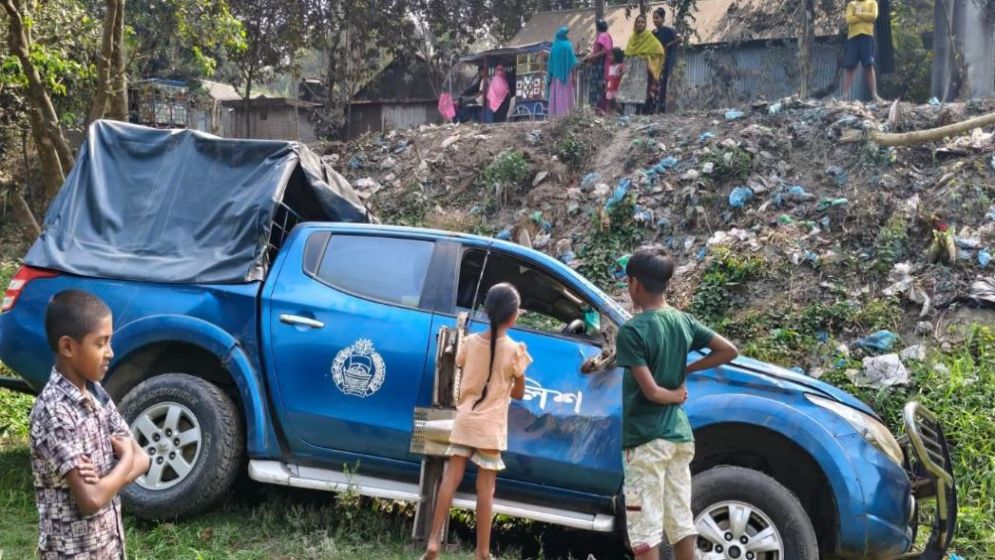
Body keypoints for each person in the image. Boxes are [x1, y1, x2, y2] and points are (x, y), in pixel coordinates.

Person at [617, 246, 739, 560]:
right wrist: (688, 369)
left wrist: (673, 392)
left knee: (645, 530)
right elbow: (728, 350)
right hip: (679, 437)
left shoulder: (632, 331)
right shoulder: (683, 321)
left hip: (646, 440)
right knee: (680, 521)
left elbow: (652, 392)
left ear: (635, 284)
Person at [29, 290, 150, 559]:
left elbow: (144, 460)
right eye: (100, 343)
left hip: (108, 548)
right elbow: (91, 501)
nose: (110, 352)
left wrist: (108, 481)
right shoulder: (53, 411)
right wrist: (125, 456)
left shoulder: (96, 393)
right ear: (68, 347)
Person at [423, 283, 531, 560]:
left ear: (487, 311)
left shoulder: (470, 342)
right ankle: (482, 552)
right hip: (490, 427)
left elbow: (461, 364)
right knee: (486, 488)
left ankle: (433, 542)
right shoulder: (516, 349)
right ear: (514, 315)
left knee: (451, 478)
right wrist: (516, 375)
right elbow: (519, 393)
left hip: (465, 419)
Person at [841, 0, 885, 102]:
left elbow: (873, 16)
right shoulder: (851, 4)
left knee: (869, 65)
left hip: (867, 37)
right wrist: (865, 17)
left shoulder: (872, 3)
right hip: (853, 38)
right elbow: (849, 19)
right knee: (849, 68)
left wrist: (858, 13)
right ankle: (844, 95)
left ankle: (874, 94)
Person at [625, 14, 665, 115]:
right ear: (635, 24)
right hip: (634, 67)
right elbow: (628, 53)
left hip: (645, 68)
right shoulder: (632, 38)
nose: (640, 24)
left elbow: (659, 49)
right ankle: (636, 113)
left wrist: (649, 60)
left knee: (645, 91)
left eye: (642, 22)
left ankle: (646, 113)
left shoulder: (648, 36)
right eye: (638, 22)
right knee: (634, 91)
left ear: (645, 24)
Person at [651, 7, 681, 113]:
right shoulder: (653, 33)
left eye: (657, 18)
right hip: (656, 62)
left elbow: (679, 39)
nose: (655, 20)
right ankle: (654, 108)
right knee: (655, 84)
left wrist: (668, 45)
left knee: (664, 84)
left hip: (667, 61)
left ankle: (663, 107)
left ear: (663, 19)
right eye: (653, 18)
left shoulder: (668, 30)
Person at [583, 19, 614, 113]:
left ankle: (599, 110)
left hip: (601, 66)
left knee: (599, 88)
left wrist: (591, 57)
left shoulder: (603, 36)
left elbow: (605, 51)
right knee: (599, 88)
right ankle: (598, 110)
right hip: (598, 65)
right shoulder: (605, 36)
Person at [547, 26, 579, 117]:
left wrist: (549, 77)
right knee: (566, 96)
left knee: (557, 96)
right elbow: (572, 62)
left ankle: (556, 115)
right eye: (567, 34)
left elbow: (550, 64)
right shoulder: (568, 46)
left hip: (556, 78)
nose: (568, 36)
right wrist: (574, 76)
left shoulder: (554, 47)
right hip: (567, 76)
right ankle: (566, 115)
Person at [605, 48, 626, 114]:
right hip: (610, 87)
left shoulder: (620, 66)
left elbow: (622, 75)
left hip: (616, 88)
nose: (609, 57)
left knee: (617, 103)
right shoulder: (610, 66)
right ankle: (608, 115)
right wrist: (606, 87)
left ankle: (622, 114)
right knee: (609, 102)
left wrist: (620, 75)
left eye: (611, 55)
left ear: (616, 56)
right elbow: (608, 78)